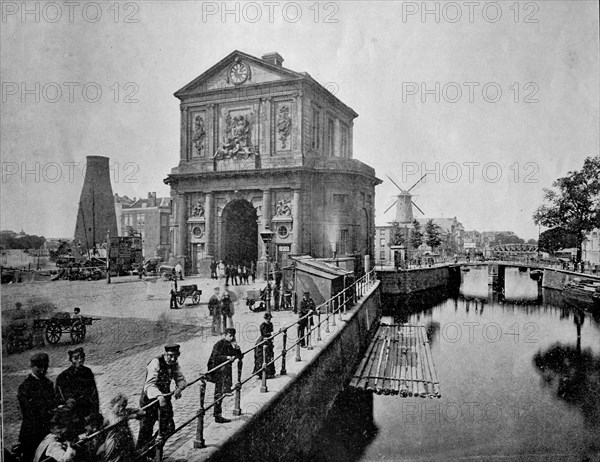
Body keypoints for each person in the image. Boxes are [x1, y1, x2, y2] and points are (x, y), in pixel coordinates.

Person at [137, 344, 186, 452]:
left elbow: (181, 379)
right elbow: (149, 385)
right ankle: (141, 455)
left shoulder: (174, 363)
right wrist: (159, 395)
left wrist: (179, 388)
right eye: (170, 356)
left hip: (164, 401)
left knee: (169, 427)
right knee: (145, 431)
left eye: (175, 356)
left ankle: (151, 450)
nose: (172, 359)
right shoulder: (155, 363)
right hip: (149, 401)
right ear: (165, 354)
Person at [18, 352, 57, 462]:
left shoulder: (48, 384)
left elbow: (53, 403)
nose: (43, 370)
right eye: (39, 367)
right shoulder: (25, 387)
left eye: (45, 367)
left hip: (47, 429)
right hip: (31, 431)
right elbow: (28, 411)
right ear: (32, 366)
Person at [55, 348, 100, 436]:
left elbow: (94, 394)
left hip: (88, 410)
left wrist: (95, 411)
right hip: (74, 413)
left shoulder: (88, 372)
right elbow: (61, 399)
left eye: (82, 357)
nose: (80, 360)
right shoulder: (64, 376)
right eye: (76, 358)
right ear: (71, 360)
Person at [207, 328, 243, 423]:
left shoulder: (230, 345)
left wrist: (237, 348)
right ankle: (217, 416)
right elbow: (215, 358)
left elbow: (240, 356)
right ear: (225, 335)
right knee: (218, 392)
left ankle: (226, 389)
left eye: (233, 336)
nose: (232, 338)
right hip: (217, 371)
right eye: (230, 336)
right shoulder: (218, 344)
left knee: (220, 392)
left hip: (225, 372)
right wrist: (226, 358)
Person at [97, 393, 142, 462]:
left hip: (126, 440)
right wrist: (130, 416)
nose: (121, 409)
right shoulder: (110, 414)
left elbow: (140, 412)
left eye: (123, 406)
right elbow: (117, 421)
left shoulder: (124, 411)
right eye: (118, 406)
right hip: (114, 442)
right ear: (113, 405)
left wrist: (138, 413)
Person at [253, 313, 276, 379]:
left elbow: (271, 331)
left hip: (269, 340)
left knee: (270, 355)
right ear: (265, 319)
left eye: (270, 319)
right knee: (262, 355)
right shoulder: (262, 325)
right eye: (268, 319)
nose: (269, 320)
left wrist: (272, 338)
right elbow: (264, 333)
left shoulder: (271, 324)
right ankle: (262, 373)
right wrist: (270, 334)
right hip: (263, 340)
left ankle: (270, 373)